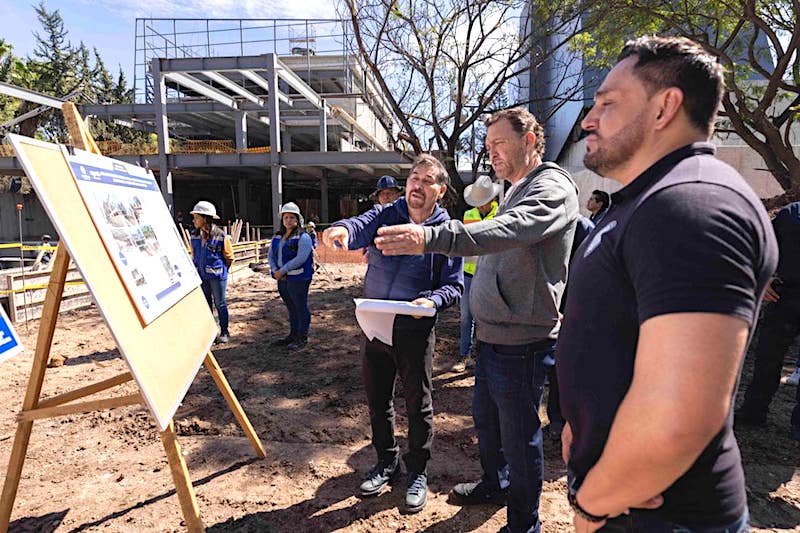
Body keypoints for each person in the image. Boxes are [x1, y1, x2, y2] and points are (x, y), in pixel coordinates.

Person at [555, 36, 777, 532]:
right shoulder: (650, 200)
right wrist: (583, 425)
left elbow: (678, 417)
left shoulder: (692, 203)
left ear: (665, 107)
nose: (590, 120)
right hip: (628, 500)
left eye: (607, 104)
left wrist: (592, 505)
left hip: (659, 516)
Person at [374, 108, 579, 533]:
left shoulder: (551, 188)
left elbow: (509, 231)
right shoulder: (513, 187)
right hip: (491, 336)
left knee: (520, 440)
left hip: (522, 342)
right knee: (488, 423)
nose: (492, 155)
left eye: (498, 145)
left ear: (529, 141)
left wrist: (431, 237)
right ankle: (496, 483)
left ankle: (524, 524)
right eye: (487, 148)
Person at [322, 154, 463, 514]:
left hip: (414, 330)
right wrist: (343, 229)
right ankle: (387, 462)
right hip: (375, 326)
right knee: (377, 401)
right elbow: (361, 223)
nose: (416, 185)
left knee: (419, 405)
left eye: (426, 180)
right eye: (413, 178)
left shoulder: (446, 233)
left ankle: (418, 472)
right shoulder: (389, 213)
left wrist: (430, 300)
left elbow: (454, 286)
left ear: (440, 191)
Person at [735, 201, 800, 441]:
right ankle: (754, 411)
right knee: (767, 359)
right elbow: (764, 247)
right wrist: (766, 278)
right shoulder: (791, 214)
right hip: (784, 298)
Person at [454, 175, 501, 373]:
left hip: (490, 275)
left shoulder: (502, 215)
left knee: (487, 318)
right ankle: (465, 355)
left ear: (491, 200)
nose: (480, 206)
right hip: (468, 274)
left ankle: (484, 358)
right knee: (466, 317)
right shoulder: (468, 214)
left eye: (483, 202)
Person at [268, 202, 314, 350]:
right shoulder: (277, 237)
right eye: (285, 217)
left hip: (298, 278)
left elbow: (301, 258)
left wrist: (283, 270)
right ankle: (293, 334)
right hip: (282, 278)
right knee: (291, 307)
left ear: (297, 219)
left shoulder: (303, 237)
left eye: (291, 217)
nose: (288, 220)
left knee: (300, 307)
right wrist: (275, 270)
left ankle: (302, 336)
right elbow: (271, 255)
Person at [190, 201, 235, 344]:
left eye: (196, 217)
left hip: (217, 277)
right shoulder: (194, 235)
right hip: (202, 275)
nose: (194, 220)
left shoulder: (222, 236)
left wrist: (221, 271)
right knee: (206, 304)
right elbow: (194, 254)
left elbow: (229, 257)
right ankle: (209, 332)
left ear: (204, 218)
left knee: (220, 303)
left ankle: (225, 331)